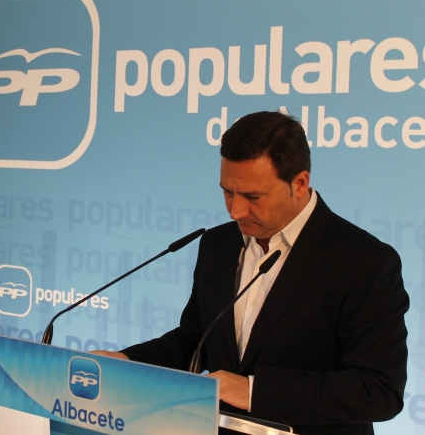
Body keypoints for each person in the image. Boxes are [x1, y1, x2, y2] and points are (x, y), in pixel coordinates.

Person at [94, 111, 409, 435]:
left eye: (252, 197)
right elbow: (195, 341)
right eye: (227, 192)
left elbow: (379, 389)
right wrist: (127, 364)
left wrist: (253, 391)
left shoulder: (365, 262)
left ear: (299, 184)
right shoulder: (218, 244)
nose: (235, 211)